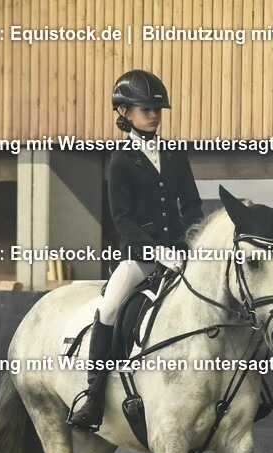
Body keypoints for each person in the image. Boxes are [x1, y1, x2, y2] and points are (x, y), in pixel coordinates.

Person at [67, 69, 203, 432]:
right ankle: (93, 396)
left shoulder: (175, 154)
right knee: (110, 306)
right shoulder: (121, 161)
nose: (154, 115)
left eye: (157, 109)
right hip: (141, 259)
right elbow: (123, 221)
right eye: (146, 109)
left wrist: (194, 241)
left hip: (180, 251)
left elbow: (190, 205)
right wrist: (157, 252)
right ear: (125, 112)